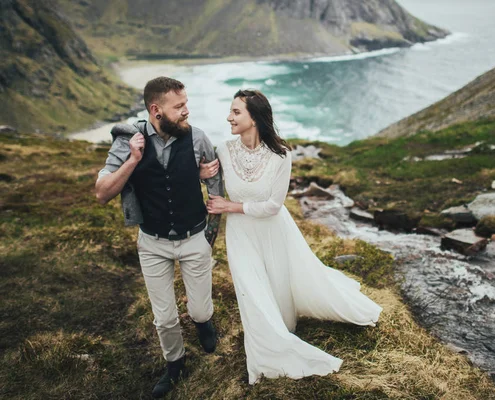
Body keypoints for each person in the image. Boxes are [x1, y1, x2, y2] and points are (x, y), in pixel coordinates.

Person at [206, 89, 382, 384]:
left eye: (236, 112)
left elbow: (274, 206)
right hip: (240, 234)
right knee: (252, 291)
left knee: (279, 288)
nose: (229, 117)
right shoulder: (223, 150)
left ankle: (284, 324)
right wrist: (203, 172)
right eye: (230, 111)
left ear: (255, 117)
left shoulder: (281, 154)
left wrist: (230, 206)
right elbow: (206, 174)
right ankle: (265, 349)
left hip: (274, 230)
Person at [95, 77, 223, 398]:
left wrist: (210, 233)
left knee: (199, 310)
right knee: (164, 318)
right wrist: (133, 160)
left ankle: (204, 323)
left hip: (194, 237)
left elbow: (216, 187)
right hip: (152, 243)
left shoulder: (199, 138)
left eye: (186, 104)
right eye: (179, 106)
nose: (186, 111)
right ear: (156, 110)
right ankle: (175, 364)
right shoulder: (128, 141)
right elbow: (102, 193)